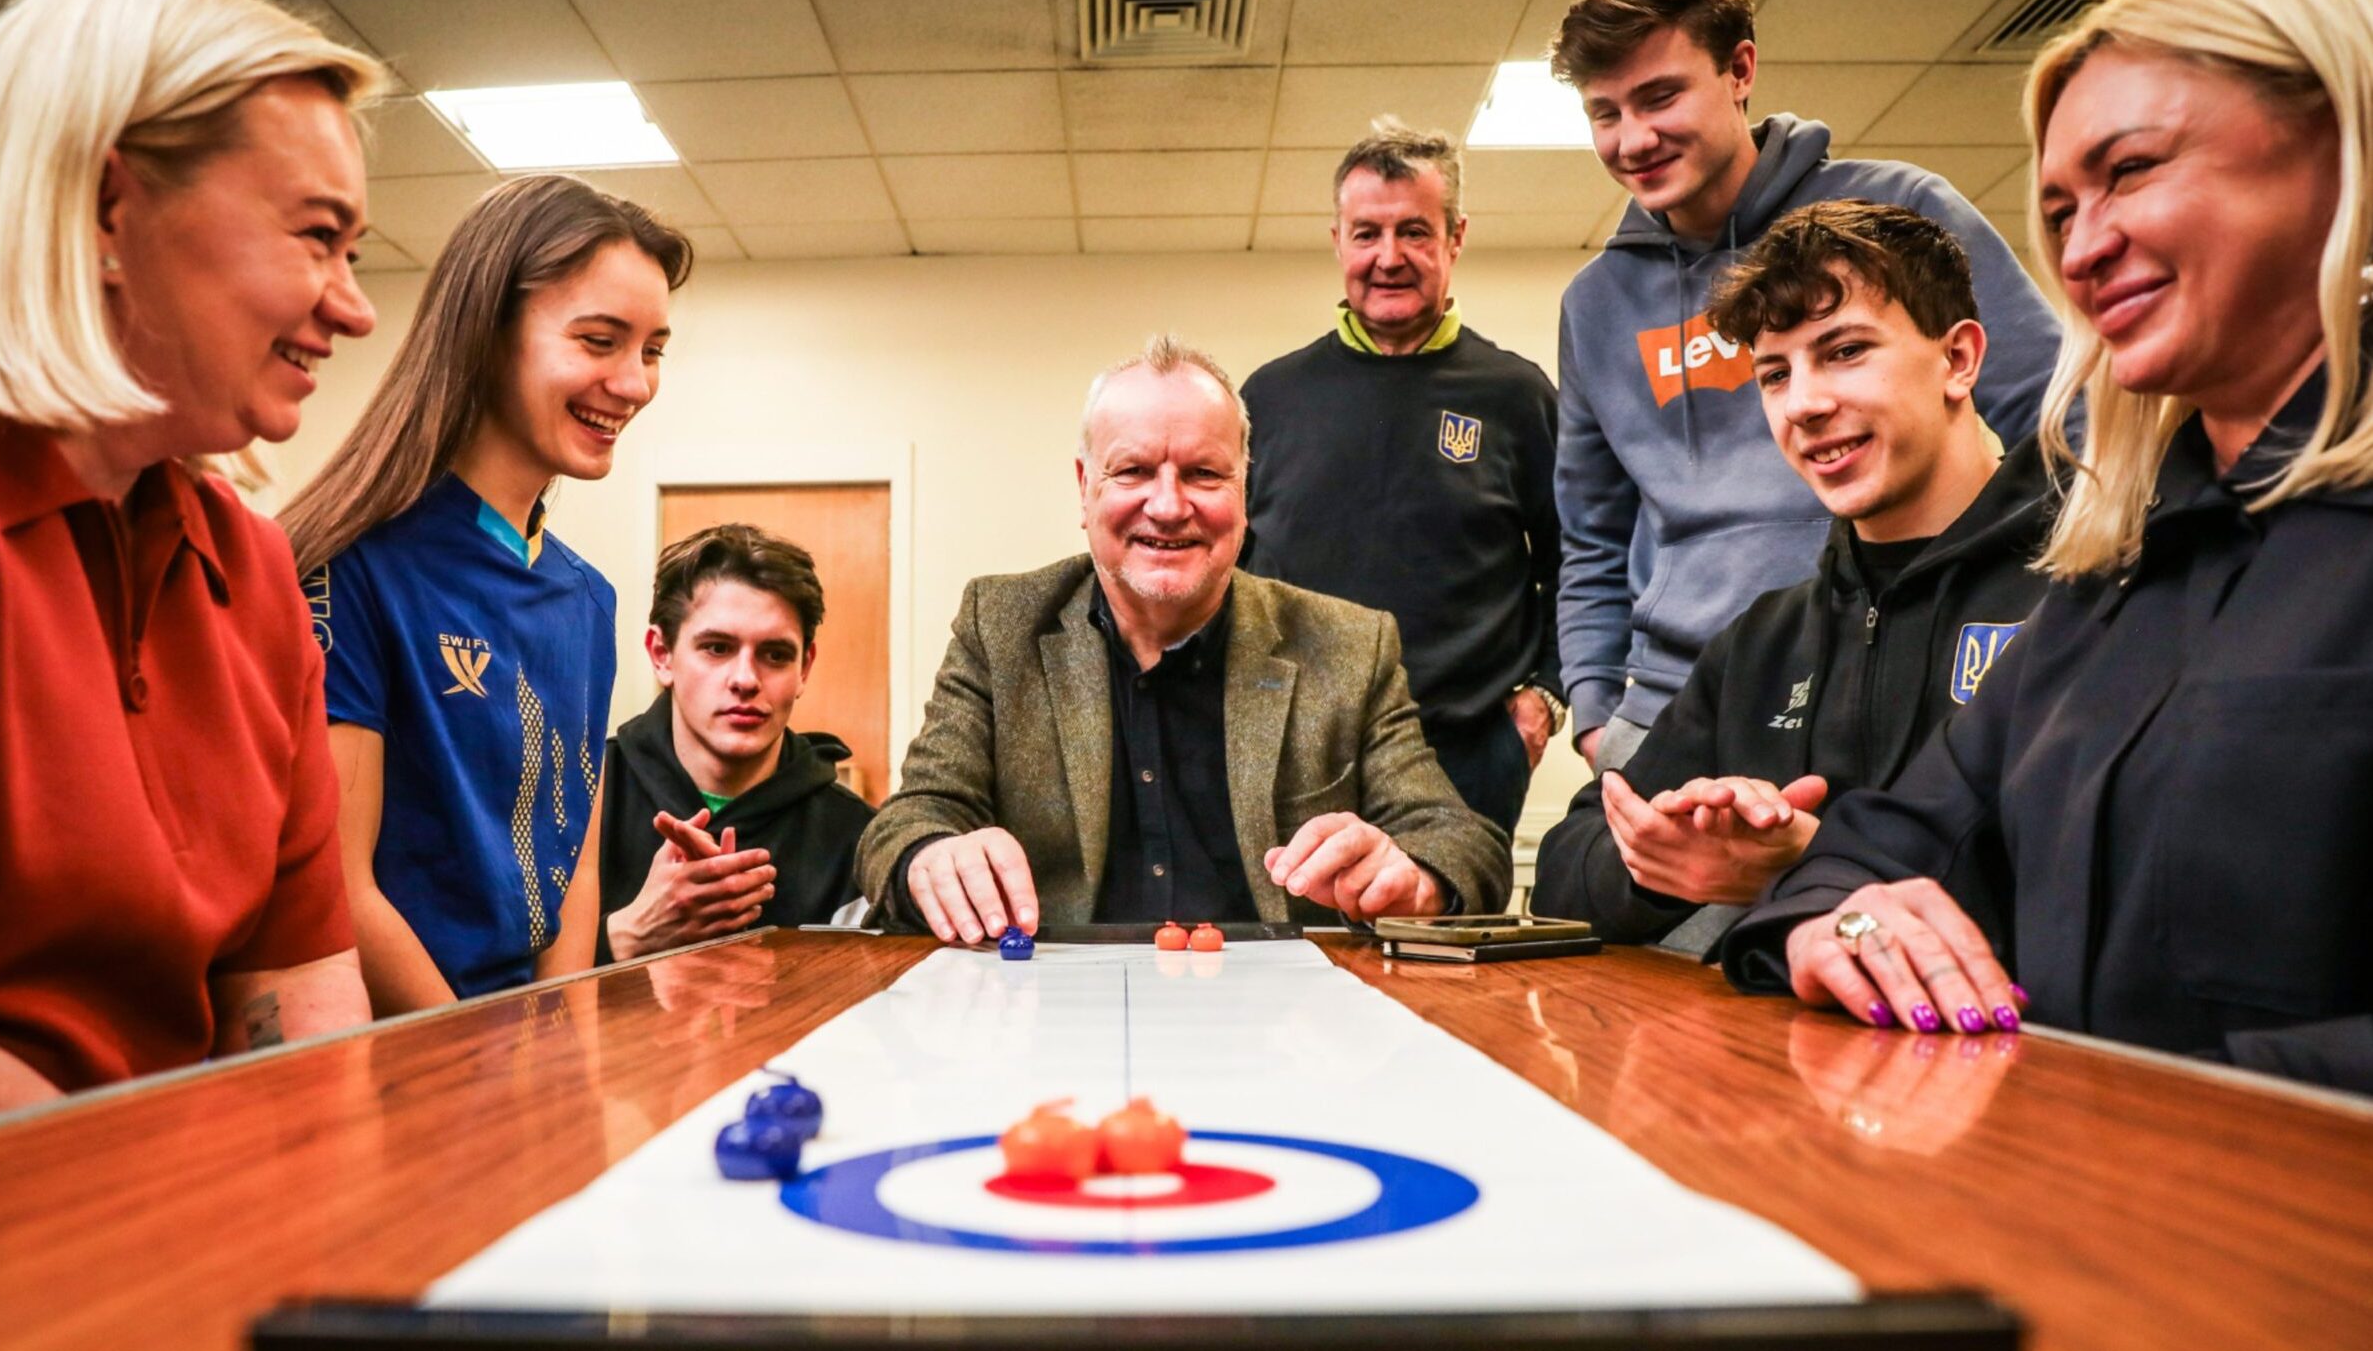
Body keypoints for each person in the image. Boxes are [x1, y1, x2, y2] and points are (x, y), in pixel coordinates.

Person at [1718, 0, 2373, 1094]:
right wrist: (1844, 926)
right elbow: (1879, 843)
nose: (2081, 246)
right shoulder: (2105, 584)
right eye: (2060, 206)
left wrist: (2151, 1111)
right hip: (2074, 1211)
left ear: (2339, 146)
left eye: (2128, 171)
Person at [0, 0, 381, 1118]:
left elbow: (304, 1011)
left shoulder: (252, 563)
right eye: (318, 237)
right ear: (109, 209)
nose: (354, 304)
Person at [1549, 0, 2061, 775]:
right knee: (1615, 896)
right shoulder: (1596, 303)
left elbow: (2061, 426)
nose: (1632, 138)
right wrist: (1596, 712)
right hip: (1666, 710)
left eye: (1659, 96)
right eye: (1604, 113)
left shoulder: (1897, 211)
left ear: (1739, 69)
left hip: (1867, 686)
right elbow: (1592, 536)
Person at [857, 335, 1510, 944]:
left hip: (1285, 1024)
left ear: (1243, 492)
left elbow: (1461, 842)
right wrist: (928, 856)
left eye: (1203, 474)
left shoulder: (1348, 645)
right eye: (1134, 471)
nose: (1168, 507)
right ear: (1085, 489)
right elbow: (907, 820)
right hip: (1049, 1014)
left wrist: (1414, 878)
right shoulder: (999, 624)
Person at [1533, 201, 2051, 961]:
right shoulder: (1767, 640)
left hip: (2024, 1065)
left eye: (1843, 352)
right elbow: (1563, 875)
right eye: (1774, 374)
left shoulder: (2083, 599)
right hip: (1781, 1061)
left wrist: (1811, 864)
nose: (1803, 404)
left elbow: (2102, 887)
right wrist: (1675, 855)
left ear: (1958, 360)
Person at [280, 176, 692, 1013]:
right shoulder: (351, 564)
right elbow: (337, 887)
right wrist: (480, 1057)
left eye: (650, 351)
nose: (635, 384)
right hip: (398, 1055)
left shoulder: (587, 598)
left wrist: (564, 1045)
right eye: (598, 340)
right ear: (487, 334)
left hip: (523, 1062)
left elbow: (571, 861)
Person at [1241, 120, 1563, 838]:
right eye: (1366, 234)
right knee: (1295, 947)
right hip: (1294, 753)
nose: (1388, 258)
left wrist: (1545, 696)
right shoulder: (1267, 399)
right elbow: (1223, 572)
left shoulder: (1515, 395)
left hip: (1465, 756)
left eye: (1414, 232)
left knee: (1441, 950)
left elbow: (1579, 563)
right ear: (1337, 242)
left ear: (1455, 237)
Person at [594, 522, 873, 962]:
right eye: (717, 648)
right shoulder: (582, 798)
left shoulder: (856, 839)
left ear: (804, 668)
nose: (745, 679)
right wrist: (625, 937)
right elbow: (505, 988)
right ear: (661, 655)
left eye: (776, 655)